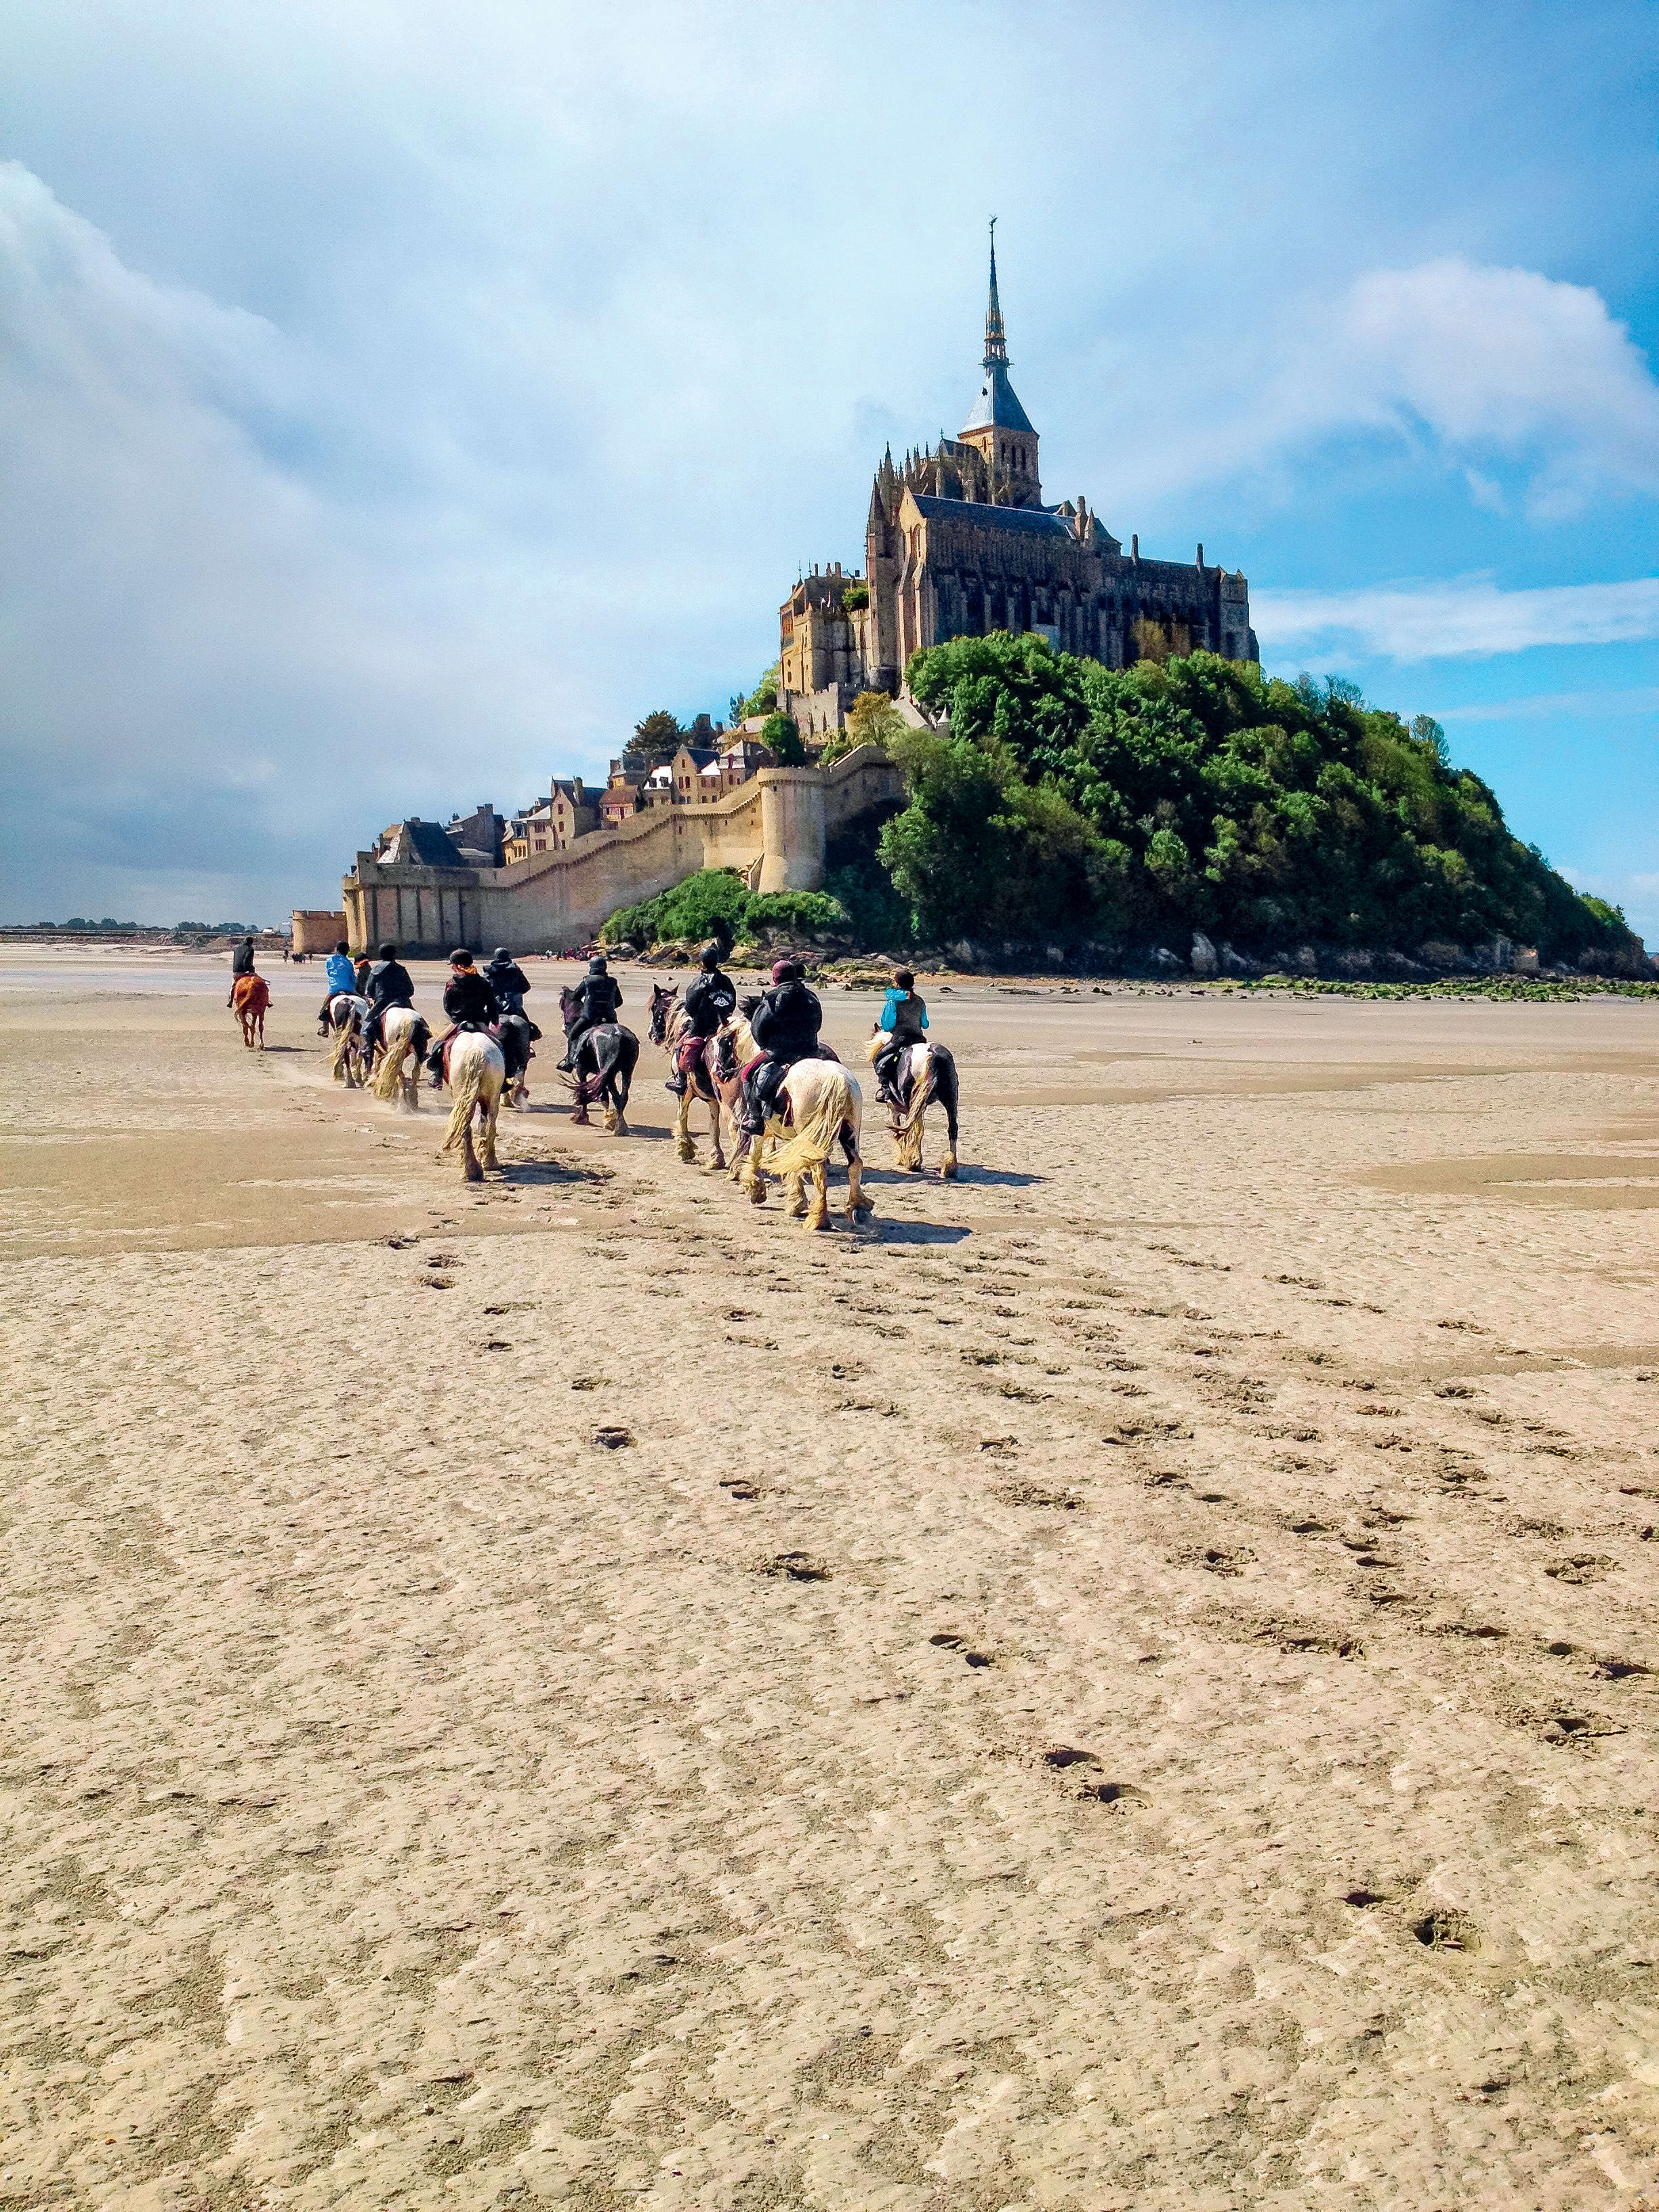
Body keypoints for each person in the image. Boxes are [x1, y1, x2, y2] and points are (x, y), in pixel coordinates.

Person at [741, 959, 823, 1132]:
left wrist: (767, 1046)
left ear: (775, 979)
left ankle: (755, 1119)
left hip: (780, 1052)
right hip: (810, 1049)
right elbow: (818, 1024)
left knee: (747, 1074)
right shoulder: (811, 996)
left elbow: (758, 1029)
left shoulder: (771, 999)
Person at [667, 942, 736, 1094]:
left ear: (703, 963)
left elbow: (690, 1007)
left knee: (679, 1047)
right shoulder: (726, 981)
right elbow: (732, 1003)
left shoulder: (698, 982)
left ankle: (681, 1081)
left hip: (701, 1027)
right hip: (722, 1025)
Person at [424, 949, 500, 1086]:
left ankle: (437, 1074)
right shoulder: (483, 982)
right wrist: (494, 1020)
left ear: (458, 966)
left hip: (458, 1022)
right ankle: (504, 1078)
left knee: (438, 1044)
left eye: (453, 965)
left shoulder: (452, 983)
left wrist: (455, 1015)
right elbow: (492, 1005)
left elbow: (447, 1006)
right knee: (500, 1046)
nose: (452, 968)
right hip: (480, 1022)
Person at [872, 967, 928, 1103]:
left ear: (897, 984)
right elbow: (925, 1024)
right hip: (919, 1039)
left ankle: (885, 1089)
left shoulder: (893, 1001)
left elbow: (887, 1025)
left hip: (901, 1038)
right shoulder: (920, 1001)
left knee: (879, 1059)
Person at [558, 955, 623, 1073]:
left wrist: (568, 994)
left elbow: (576, 996)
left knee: (573, 1035)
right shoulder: (613, 981)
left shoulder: (587, 980)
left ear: (592, 967)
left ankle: (570, 1061)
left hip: (590, 1018)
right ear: (605, 967)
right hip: (610, 1018)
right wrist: (608, 1007)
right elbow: (619, 1001)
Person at [361, 941, 415, 1058]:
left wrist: (375, 998)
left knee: (367, 1023)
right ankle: (420, 1048)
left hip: (382, 1002)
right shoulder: (401, 969)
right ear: (394, 954)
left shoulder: (376, 970)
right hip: (402, 1001)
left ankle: (368, 1048)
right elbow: (411, 990)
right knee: (419, 1022)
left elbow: (369, 991)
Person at [317, 939, 358, 1034]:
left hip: (334, 989)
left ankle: (325, 1029)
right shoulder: (348, 963)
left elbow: (329, 973)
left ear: (337, 949)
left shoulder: (329, 961)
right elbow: (352, 977)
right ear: (347, 951)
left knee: (325, 1008)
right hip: (349, 988)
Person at [483, 947, 532, 1019]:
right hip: (513, 1006)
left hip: (495, 1006)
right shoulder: (515, 970)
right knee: (529, 1025)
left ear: (496, 956)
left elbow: (483, 989)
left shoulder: (489, 971)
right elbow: (526, 987)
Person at [227, 933, 256, 1007]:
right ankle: (265, 1000)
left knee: (233, 985)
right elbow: (247, 961)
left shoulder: (236, 949)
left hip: (236, 972)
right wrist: (251, 970)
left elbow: (236, 961)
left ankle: (230, 1000)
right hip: (245, 971)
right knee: (257, 981)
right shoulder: (251, 949)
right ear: (251, 943)